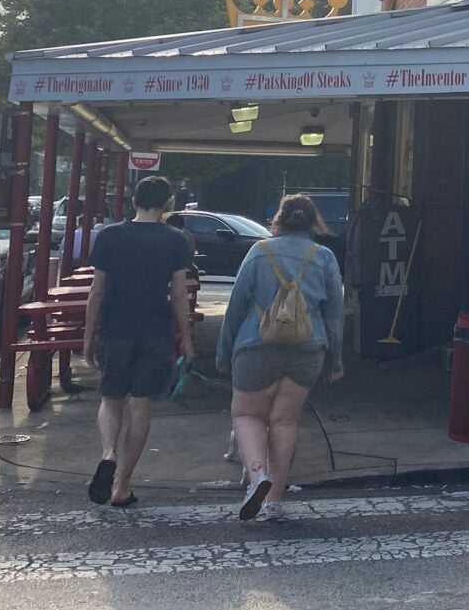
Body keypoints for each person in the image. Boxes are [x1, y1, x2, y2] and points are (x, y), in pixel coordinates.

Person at [217, 194, 347, 521]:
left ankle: (258, 474)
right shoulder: (325, 257)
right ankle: (274, 499)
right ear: (313, 221)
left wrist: (223, 351)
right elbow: (334, 316)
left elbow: (235, 308)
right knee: (285, 421)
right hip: (308, 350)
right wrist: (335, 360)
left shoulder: (259, 252)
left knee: (247, 415)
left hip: (256, 345)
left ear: (278, 219)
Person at [81, 175, 196, 508]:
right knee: (141, 404)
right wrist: (185, 340)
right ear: (166, 205)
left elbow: (97, 290)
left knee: (111, 397)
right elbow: (178, 292)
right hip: (155, 330)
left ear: (134, 201)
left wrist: (89, 336)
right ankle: (122, 486)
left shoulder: (110, 236)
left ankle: (108, 452)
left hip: (116, 328)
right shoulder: (175, 240)